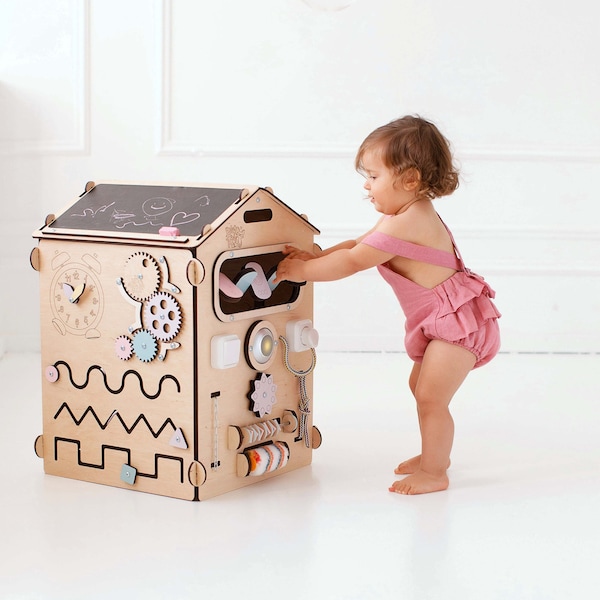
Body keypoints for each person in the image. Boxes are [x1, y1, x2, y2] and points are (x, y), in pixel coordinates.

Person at [274, 115, 501, 495]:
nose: (367, 184)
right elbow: (353, 247)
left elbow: (352, 262)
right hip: (441, 319)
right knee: (420, 388)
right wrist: (313, 255)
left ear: (409, 179)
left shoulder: (409, 221)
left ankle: (434, 473)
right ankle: (435, 455)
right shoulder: (399, 217)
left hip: (458, 322)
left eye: (374, 176)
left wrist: (303, 271)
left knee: (431, 397)